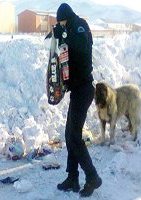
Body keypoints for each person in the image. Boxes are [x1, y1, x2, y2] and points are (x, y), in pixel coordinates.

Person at [52, 3, 102, 197]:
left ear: (67, 17)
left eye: (62, 22)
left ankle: (92, 177)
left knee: (74, 136)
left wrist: (64, 35)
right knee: (69, 134)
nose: (62, 25)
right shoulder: (69, 29)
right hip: (77, 91)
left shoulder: (80, 25)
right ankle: (73, 178)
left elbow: (81, 45)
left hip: (84, 89)